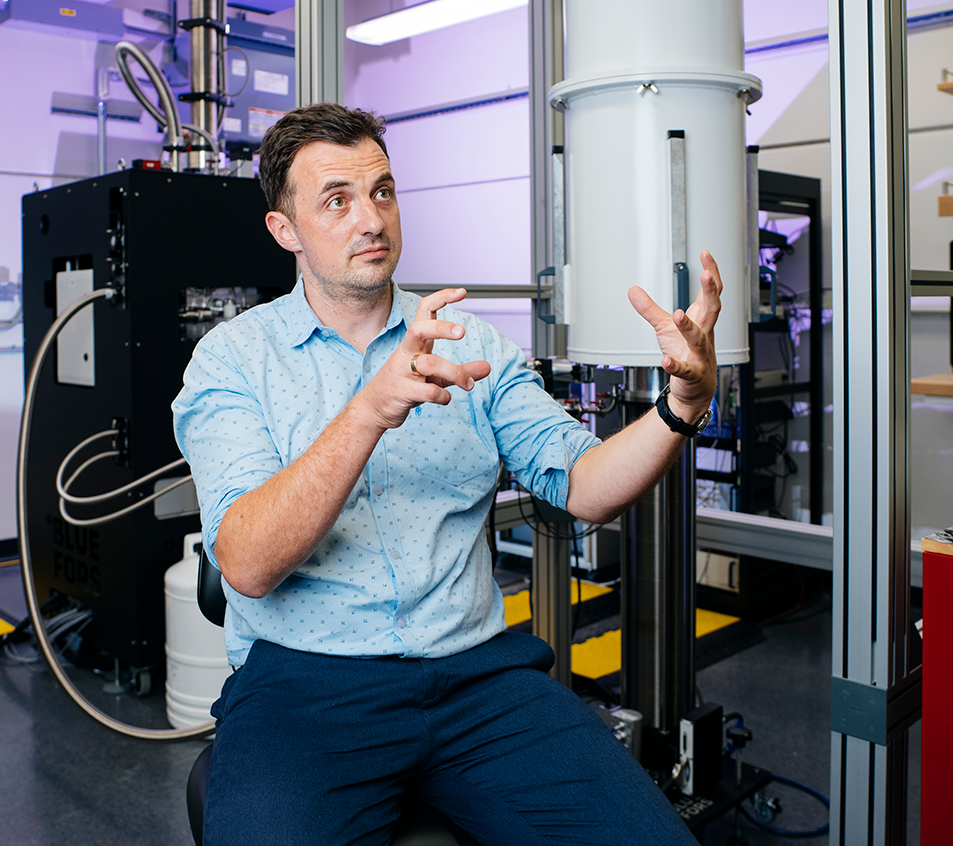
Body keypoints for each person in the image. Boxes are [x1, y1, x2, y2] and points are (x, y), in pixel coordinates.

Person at [172, 102, 721, 846]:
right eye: (337, 200)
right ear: (286, 231)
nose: (371, 218)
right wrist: (368, 412)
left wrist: (681, 404)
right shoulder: (234, 361)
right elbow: (246, 563)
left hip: (478, 679)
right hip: (306, 688)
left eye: (383, 192)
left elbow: (583, 482)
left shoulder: (473, 343)